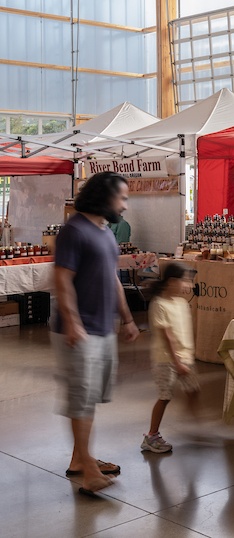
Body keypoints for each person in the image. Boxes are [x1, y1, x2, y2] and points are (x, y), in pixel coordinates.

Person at [52, 172, 139, 497]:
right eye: (122, 198)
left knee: (91, 398)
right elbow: (62, 278)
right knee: (82, 400)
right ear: (104, 197)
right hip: (79, 331)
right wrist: (73, 322)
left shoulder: (104, 231)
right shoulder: (73, 230)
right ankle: (88, 472)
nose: (125, 206)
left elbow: (112, 278)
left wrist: (128, 318)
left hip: (102, 328)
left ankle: (80, 459)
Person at [142, 262, 200, 453]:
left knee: (193, 389)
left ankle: (194, 426)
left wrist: (188, 356)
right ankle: (151, 436)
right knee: (165, 397)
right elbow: (168, 337)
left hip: (184, 357)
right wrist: (177, 363)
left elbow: (184, 331)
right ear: (172, 282)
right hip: (166, 360)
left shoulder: (182, 303)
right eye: (185, 281)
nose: (188, 285)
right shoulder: (159, 304)